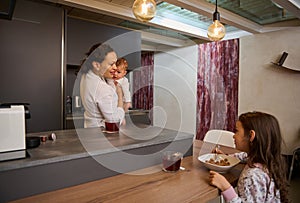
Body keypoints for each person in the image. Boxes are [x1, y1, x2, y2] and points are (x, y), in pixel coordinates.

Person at [209, 111, 289, 203]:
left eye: (236, 131)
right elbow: (244, 156)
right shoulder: (267, 160)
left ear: (251, 135)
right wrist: (226, 157)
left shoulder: (251, 176)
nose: (234, 136)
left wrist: (225, 187)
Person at [79, 43, 125, 128]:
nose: (115, 67)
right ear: (96, 65)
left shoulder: (87, 75)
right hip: (102, 134)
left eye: (115, 63)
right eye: (111, 64)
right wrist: (120, 96)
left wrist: (111, 79)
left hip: (89, 130)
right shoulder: (102, 88)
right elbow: (114, 121)